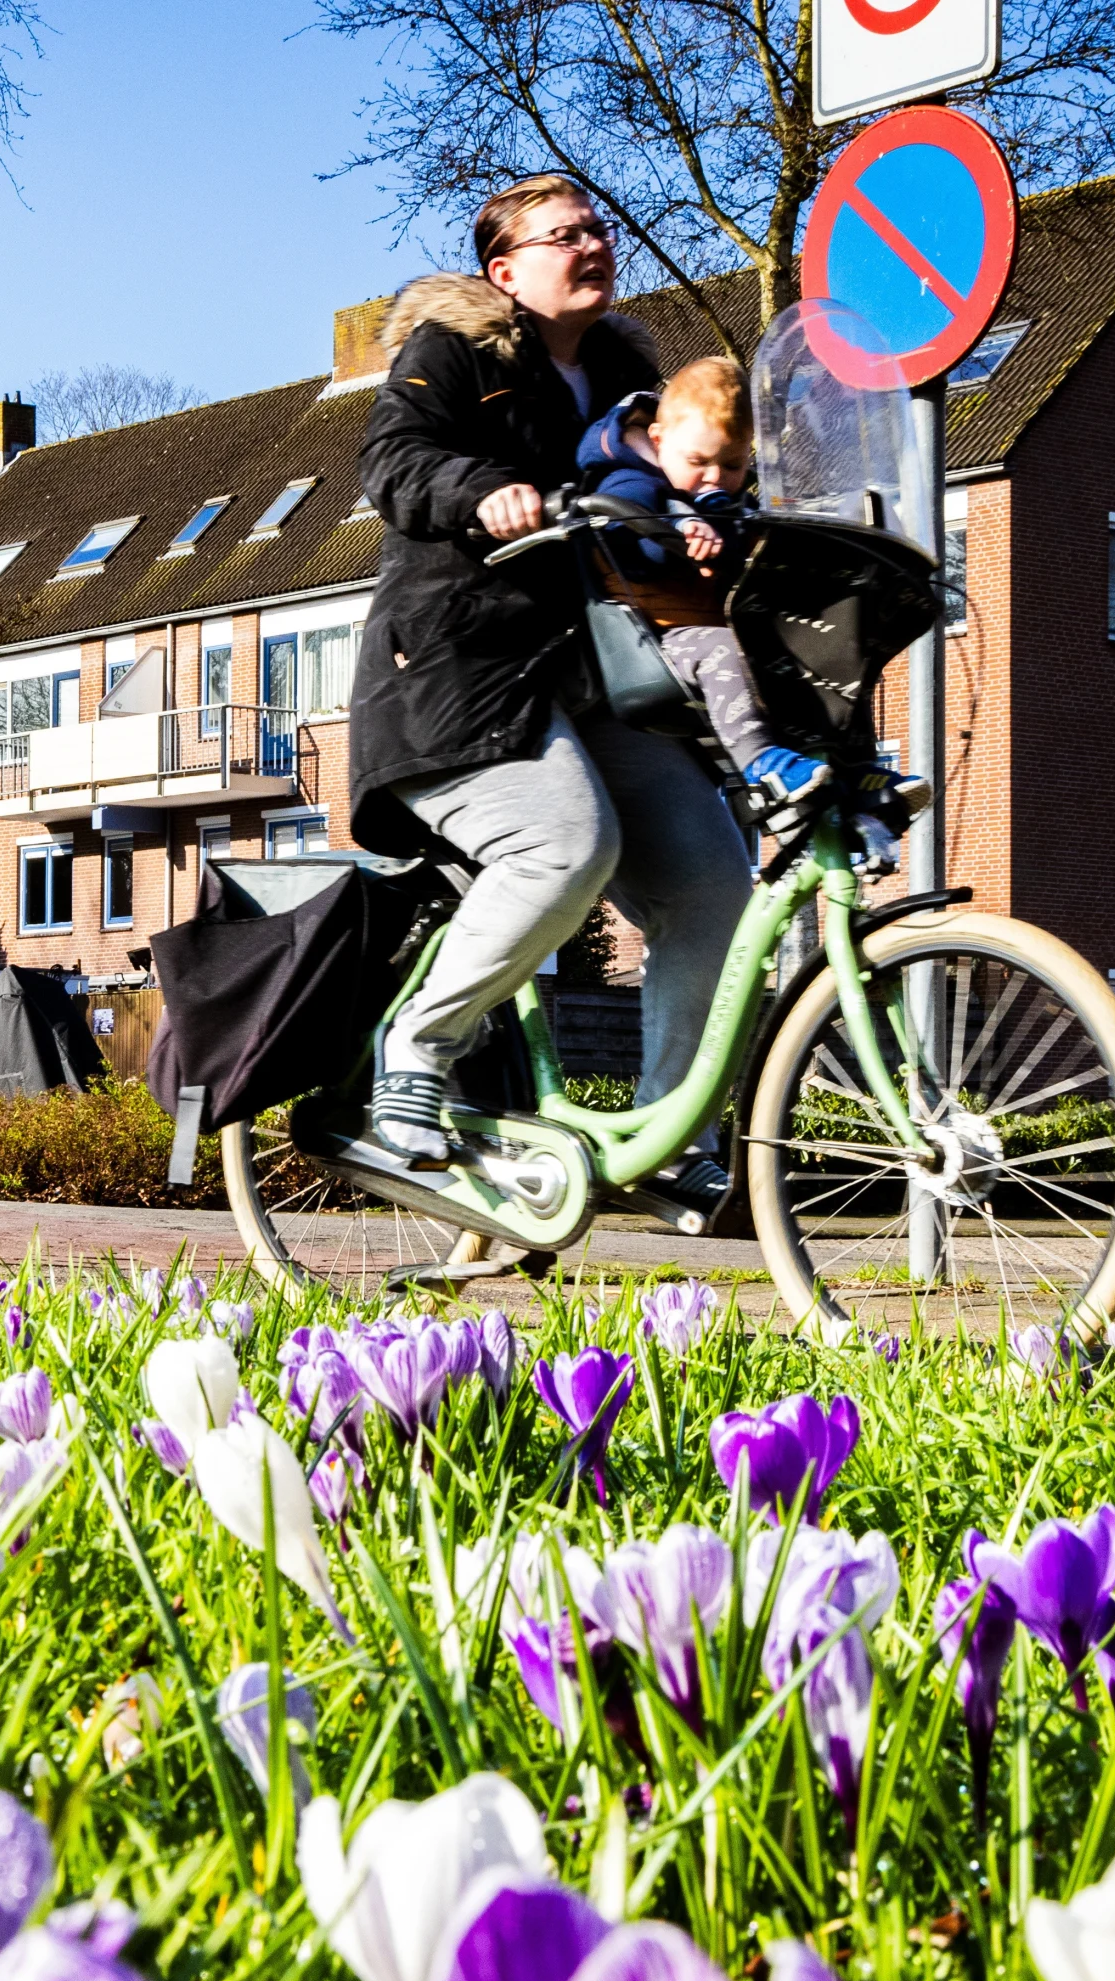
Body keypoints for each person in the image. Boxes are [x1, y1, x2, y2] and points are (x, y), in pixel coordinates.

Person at [347, 172, 755, 1208]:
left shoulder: (630, 391)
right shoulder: (456, 352)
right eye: (562, 234)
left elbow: (673, 489)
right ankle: (415, 1054)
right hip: (455, 676)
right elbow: (392, 462)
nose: (591, 244)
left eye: (598, 228)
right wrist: (484, 492)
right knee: (568, 843)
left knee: (714, 883)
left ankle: (667, 1137)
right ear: (506, 270)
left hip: (585, 681)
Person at [574, 356, 825, 822]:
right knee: (722, 650)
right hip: (657, 636)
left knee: (818, 655)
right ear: (658, 441)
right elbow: (629, 553)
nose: (714, 477)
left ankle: (848, 768)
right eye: (698, 462)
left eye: (731, 464)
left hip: (713, 624)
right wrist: (675, 534)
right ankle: (761, 761)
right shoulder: (629, 483)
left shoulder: (731, 503)